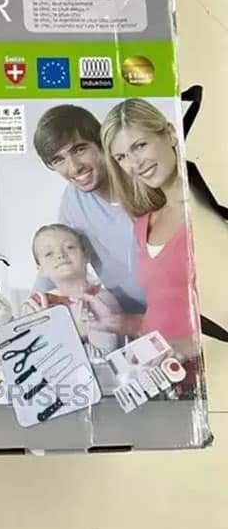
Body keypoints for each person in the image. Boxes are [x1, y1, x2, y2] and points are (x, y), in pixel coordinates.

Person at [89, 98, 200, 383]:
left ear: (170, 134)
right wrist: (115, 322)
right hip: (164, 384)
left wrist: (192, 345)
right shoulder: (143, 225)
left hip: (212, 379)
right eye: (121, 157)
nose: (135, 164)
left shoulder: (210, 214)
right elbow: (162, 313)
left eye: (140, 145)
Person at [30, 105, 146, 315]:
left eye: (79, 149)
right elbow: (54, 256)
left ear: (100, 143)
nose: (74, 167)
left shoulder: (143, 180)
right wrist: (33, 306)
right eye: (58, 160)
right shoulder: (72, 202)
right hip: (127, 315)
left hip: (176, 308)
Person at [28, 224, 121, 361]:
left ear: (86, 256)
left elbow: (101, 360)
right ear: (40, 269)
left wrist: (57, 336)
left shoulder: (101, 302)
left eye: (70, 247)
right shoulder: (40, 306)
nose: (60, 255)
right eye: (49, 253)